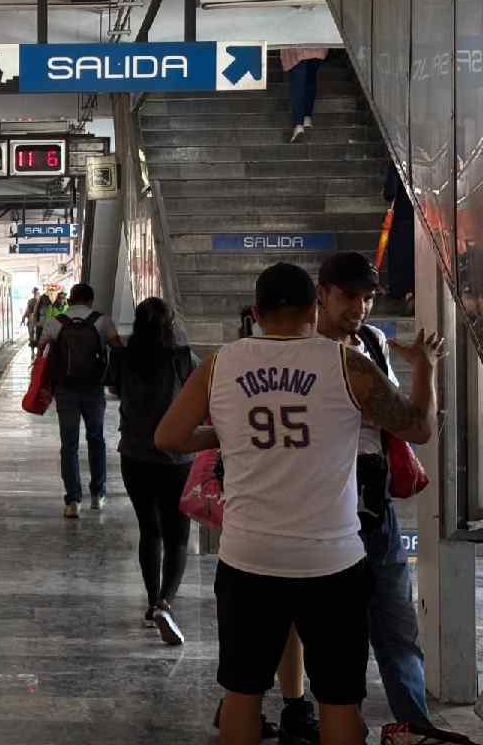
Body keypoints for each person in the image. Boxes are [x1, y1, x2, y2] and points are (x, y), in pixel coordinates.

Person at [154, 262, 442, 745]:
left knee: (242, 694)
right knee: (338, 699)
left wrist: (229, 433)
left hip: (247, 558)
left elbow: (169, 437)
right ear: (314, 307)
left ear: (256, 312)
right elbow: (418, 427)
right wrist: (427, 369)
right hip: (331, 560)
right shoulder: (347, 364)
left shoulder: (218, 365)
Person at [317, 251, 431, 728]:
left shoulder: (372, 340)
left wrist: (423, 369)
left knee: (397, 629)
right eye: (348, 297)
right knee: (339, 635)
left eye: (367, 298)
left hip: (373, 500)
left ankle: (414, 726)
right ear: (321, 294)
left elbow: (404, 421)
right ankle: (345, 725)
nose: (359, 308)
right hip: (323, 504)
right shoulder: (302, 349)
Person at [105, 297, 196, 646]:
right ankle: (165, 603)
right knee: (178, 536)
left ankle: (150, 599)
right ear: (169, 325)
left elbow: (113, 388)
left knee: (150, 530)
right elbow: (203, 391)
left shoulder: (123, 357)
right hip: (176, 459)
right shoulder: (183, 358)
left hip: (134, 455)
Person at [40, 282, 122, 515]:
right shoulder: (102, 321)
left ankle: (72, 501)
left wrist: (46, 387)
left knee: (69, 445)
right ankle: (98, 494)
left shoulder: (57, 322)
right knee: (96, 439)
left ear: (70, 300)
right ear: (90, 300)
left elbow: (42, 353)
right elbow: (118, 350)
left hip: (65, 390)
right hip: (93, 390)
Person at [384, 164, 416, 308]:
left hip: (401, 219)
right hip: (421, 219)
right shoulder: (425, 159)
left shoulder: (397, 164)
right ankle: (414, 293)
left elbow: (389, 192)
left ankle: (402, 293)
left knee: (400, 256)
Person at [281, 47, 328, 142]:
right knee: (311, 77)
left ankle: (299, 123)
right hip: (316, 42)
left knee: (298, 79)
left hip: (298, 43)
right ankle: (307, 117)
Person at [20, 287, 41, 356]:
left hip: (34, 321)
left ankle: (34, 351)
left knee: (33, 336)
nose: (36, 294)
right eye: (35, 293)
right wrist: (23, 318)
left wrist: (24, 318)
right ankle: (34, 351)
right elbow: (27, 310)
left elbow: (27, 311)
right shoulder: (35, 301)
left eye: (37, 293)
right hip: (34, 321)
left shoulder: (37, 301)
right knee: (34, 336)